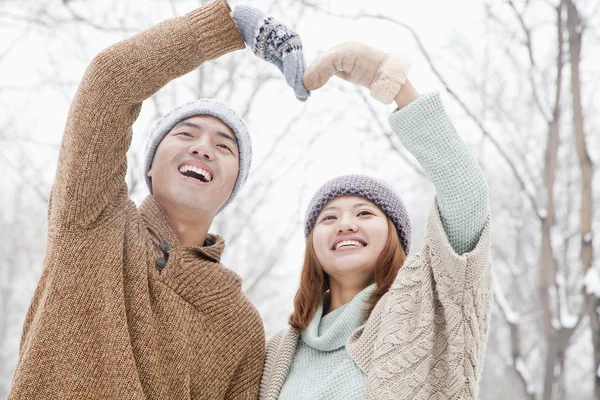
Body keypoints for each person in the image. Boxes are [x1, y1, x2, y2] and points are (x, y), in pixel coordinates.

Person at [8, 1, 308, 398]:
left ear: (232, 186)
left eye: (224, 146)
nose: (203, 147)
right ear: (149, 168)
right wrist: (231, 27)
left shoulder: (239, 324)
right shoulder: (93, 219)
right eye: (185, 134)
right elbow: (110, 82)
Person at [259, 42, 492, 399]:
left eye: (364, 213)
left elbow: (467, 196)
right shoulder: (278, 352)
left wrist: (394, 83)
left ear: (394, 235)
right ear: (312, 247)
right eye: (329, 217)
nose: (345, 224)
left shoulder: (430, 307)